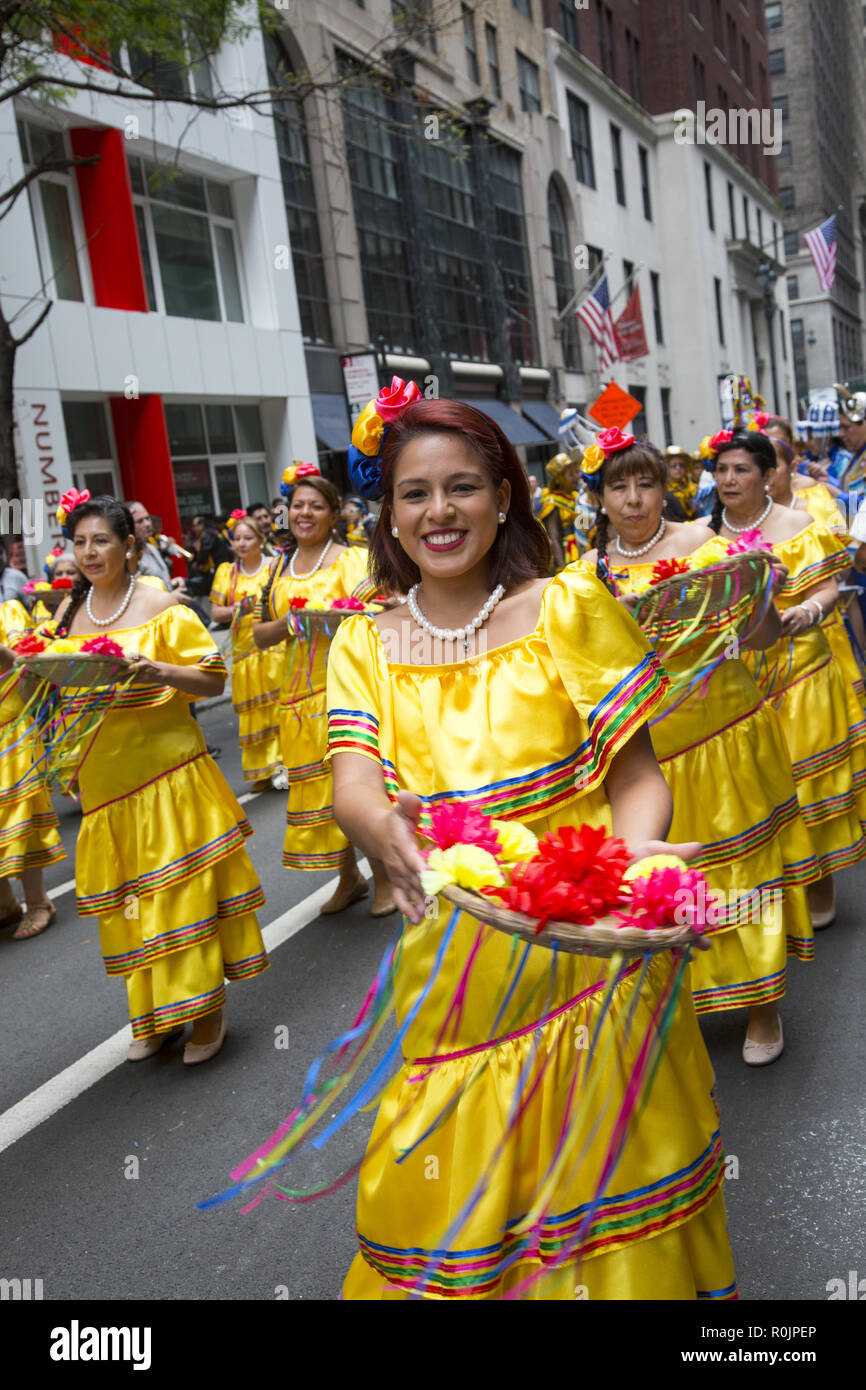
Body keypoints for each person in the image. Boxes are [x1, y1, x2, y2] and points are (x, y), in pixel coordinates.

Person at [325, 397, 736, 1299]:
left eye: (462, 487)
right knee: (448, 1189)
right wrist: (380, 828)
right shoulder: (364, 643)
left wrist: (628, 877)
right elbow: (352, 779)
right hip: (459, 957)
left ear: (504, 497)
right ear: (389, 514)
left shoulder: (567, 607)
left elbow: (637, 780)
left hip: (597, 953)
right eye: (415, 494)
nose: (440, 512)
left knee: (606, 1195)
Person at [582, 431, 817, 1064]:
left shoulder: (705, 545)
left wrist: (756, 586)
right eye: (618, 486)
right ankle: (691, 997)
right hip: (647, 758)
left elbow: (762, 637)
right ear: (599, 497)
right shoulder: (586, 573)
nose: (633, 499)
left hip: (727, 731)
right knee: (669, 876)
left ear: (668, 489)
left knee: (744, 871)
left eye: (646, 483)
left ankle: (764, 1008)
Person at [37, 495, 269, 1063]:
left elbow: (212, 681)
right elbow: (50, 691)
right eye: (81, 542)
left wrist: (157, 669)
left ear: (130, 547)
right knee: (131, 905)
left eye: (102, 541)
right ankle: (154, 1013)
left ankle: (207, 1013)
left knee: (180, 896)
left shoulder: (162, 605)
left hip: (169, 778)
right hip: (105, 789)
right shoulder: (65, 616)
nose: (90, 553)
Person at [709, 431, 866, 929]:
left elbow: (827, 590)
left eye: (741, 470)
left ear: (767, 474)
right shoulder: (702, 537)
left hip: (800, 673)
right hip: (737, 683)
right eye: (722, 471)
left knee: (804, 784)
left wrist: (805, 610)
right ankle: (775, 883)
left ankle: (818, 878)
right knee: (756, 789)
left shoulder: (799, 525)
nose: (730, 480)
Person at [252, 466, 394, 914]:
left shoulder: (352, 559)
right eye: (297, 506)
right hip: (296, 696)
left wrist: (343, 618)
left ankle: (386, 875)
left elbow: (381, 612)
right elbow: (260, 635)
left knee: (362, 785)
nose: (304, 513)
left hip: (350, 687)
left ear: (334, 513)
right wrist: (294, 621)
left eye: (315, 506)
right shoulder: (276, 568)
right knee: (323, 792)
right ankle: (348, 876)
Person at [0, 598, 65, 938]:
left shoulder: (8, 612)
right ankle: (6, 904)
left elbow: (30, 669)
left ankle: (39, 902)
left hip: (11, 730)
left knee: (19, 815)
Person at [209, 516, 283, 789]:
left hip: (274, 646)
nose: (241, 543)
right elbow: (215, 611)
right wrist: (236, 608)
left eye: (247, 538)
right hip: (244, 652)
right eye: (237, 539)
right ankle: (262, 770)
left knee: (278, 705)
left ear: (260, 540)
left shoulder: (274, 566)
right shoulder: (227, 573)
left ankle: (284, 766)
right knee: (253, 710)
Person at [127, 502, 187, 592]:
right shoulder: (130, 558)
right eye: (140, 521)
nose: (147, 524)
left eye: (147, 518)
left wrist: (172, 583)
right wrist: (172, 596)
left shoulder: (152, 548)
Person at [188, 514, 233, 596]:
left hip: (216, 569)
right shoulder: (213, 532)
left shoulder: (207, 535)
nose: (193, 529)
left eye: (195, 526)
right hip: (221, 567)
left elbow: (205, 550)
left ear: (201, 525)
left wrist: (198, 563)